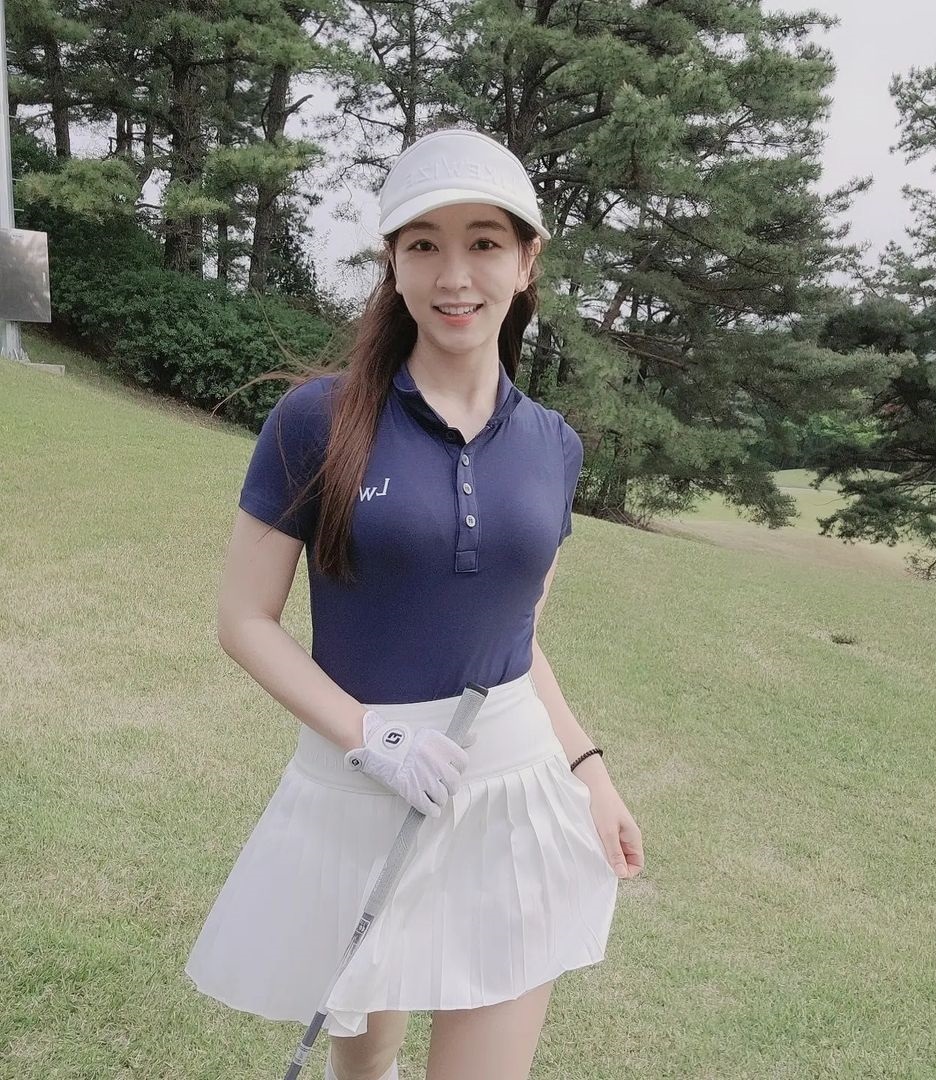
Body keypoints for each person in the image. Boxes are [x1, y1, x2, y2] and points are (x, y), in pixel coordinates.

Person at [184, 127, 645, 1080]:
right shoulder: (315, 421)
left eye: (485, 242)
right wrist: (372, 735)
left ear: (527, 261)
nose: (454, 274)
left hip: (511, 790)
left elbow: (517, 638)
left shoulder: (553, 446)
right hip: (363, 786)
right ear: (392, 263)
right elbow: (243, 621)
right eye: (425, 244)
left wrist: (589, 771)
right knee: (366, 1065)